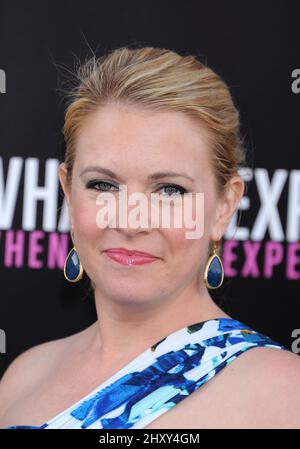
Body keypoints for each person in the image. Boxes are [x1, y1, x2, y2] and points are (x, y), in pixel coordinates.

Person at [0, 46, 299, 429]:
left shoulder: (284, 395)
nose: (130, 222)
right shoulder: (25, 376)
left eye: (170, 190)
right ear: (67, 193)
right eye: (103, 184)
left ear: (224, 207)